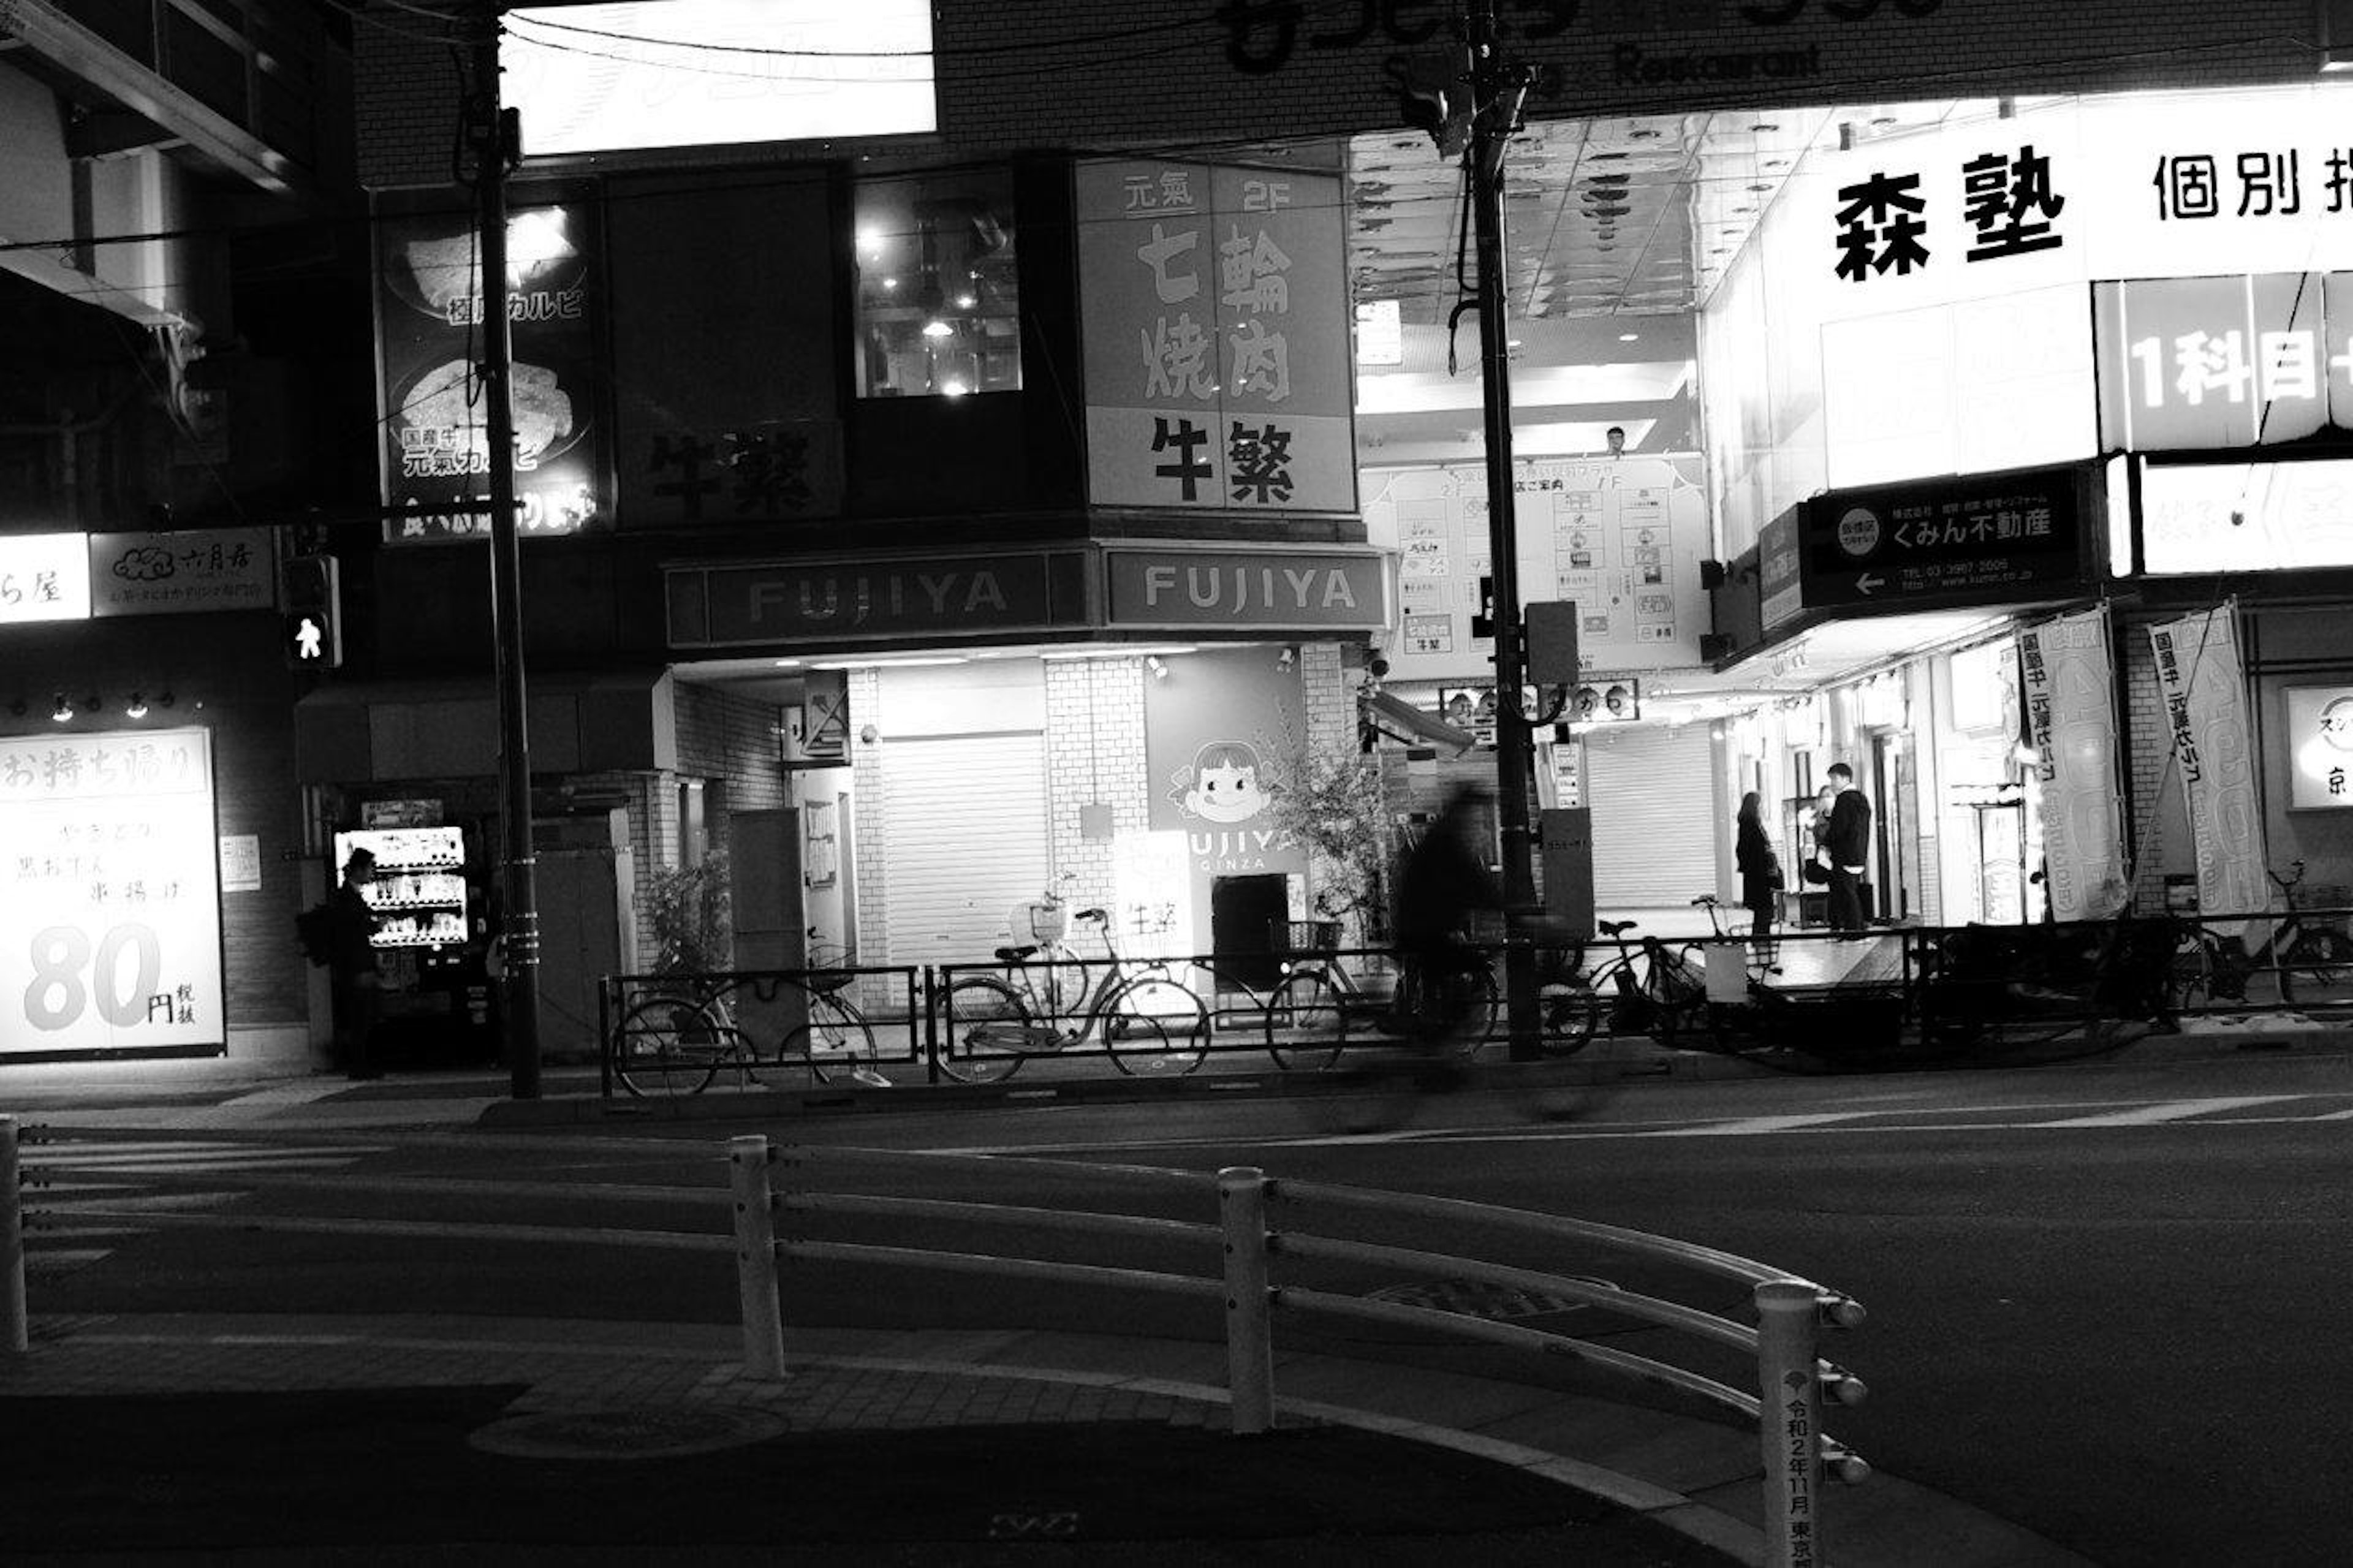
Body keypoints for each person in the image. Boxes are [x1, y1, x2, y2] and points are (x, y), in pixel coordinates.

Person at [1392, 782, 1501, 1052]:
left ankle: (1434, 1033)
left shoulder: (1442, 837)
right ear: (1464, 813)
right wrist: (1504, 907)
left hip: (1420, 928)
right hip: (1425, 930)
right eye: (1475, 817)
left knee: (1445, 975)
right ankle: (1439, 1034)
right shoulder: (1447, 841)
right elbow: (1473, 881)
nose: (1478, 825)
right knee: (1475, 967)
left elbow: (1469, 883)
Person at [328, 847, 384, 1079]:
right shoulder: (347, 897)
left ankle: (361, 1065)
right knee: (360, 1017)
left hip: (359, 966)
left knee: (364, 1016)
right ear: (359, 869)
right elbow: (352, 932)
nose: (373, 872)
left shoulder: (350, 895)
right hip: (356, 967)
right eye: (370, 868)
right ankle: (358, 1067)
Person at [1824, 763, 1875, 937]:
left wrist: (1826, 843)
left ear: (1846, 778)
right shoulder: (1862, 799)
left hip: (1844, 855)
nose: (1832, 783)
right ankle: (1857, 927)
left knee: (1847, 894)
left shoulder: (1844, 800)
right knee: (1851, 892)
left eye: (1835, 778)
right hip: (1859, 854)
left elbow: (1839, 829)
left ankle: (1854, 930)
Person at [1735, 790, 1781, 942]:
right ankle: (1761, 938)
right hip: (1759, 874)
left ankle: (1760, 938)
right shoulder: (1751, 824)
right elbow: (1751, 850)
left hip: (1757, 873)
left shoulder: (1749, 823)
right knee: (1764, 908)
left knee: (1762, 909)